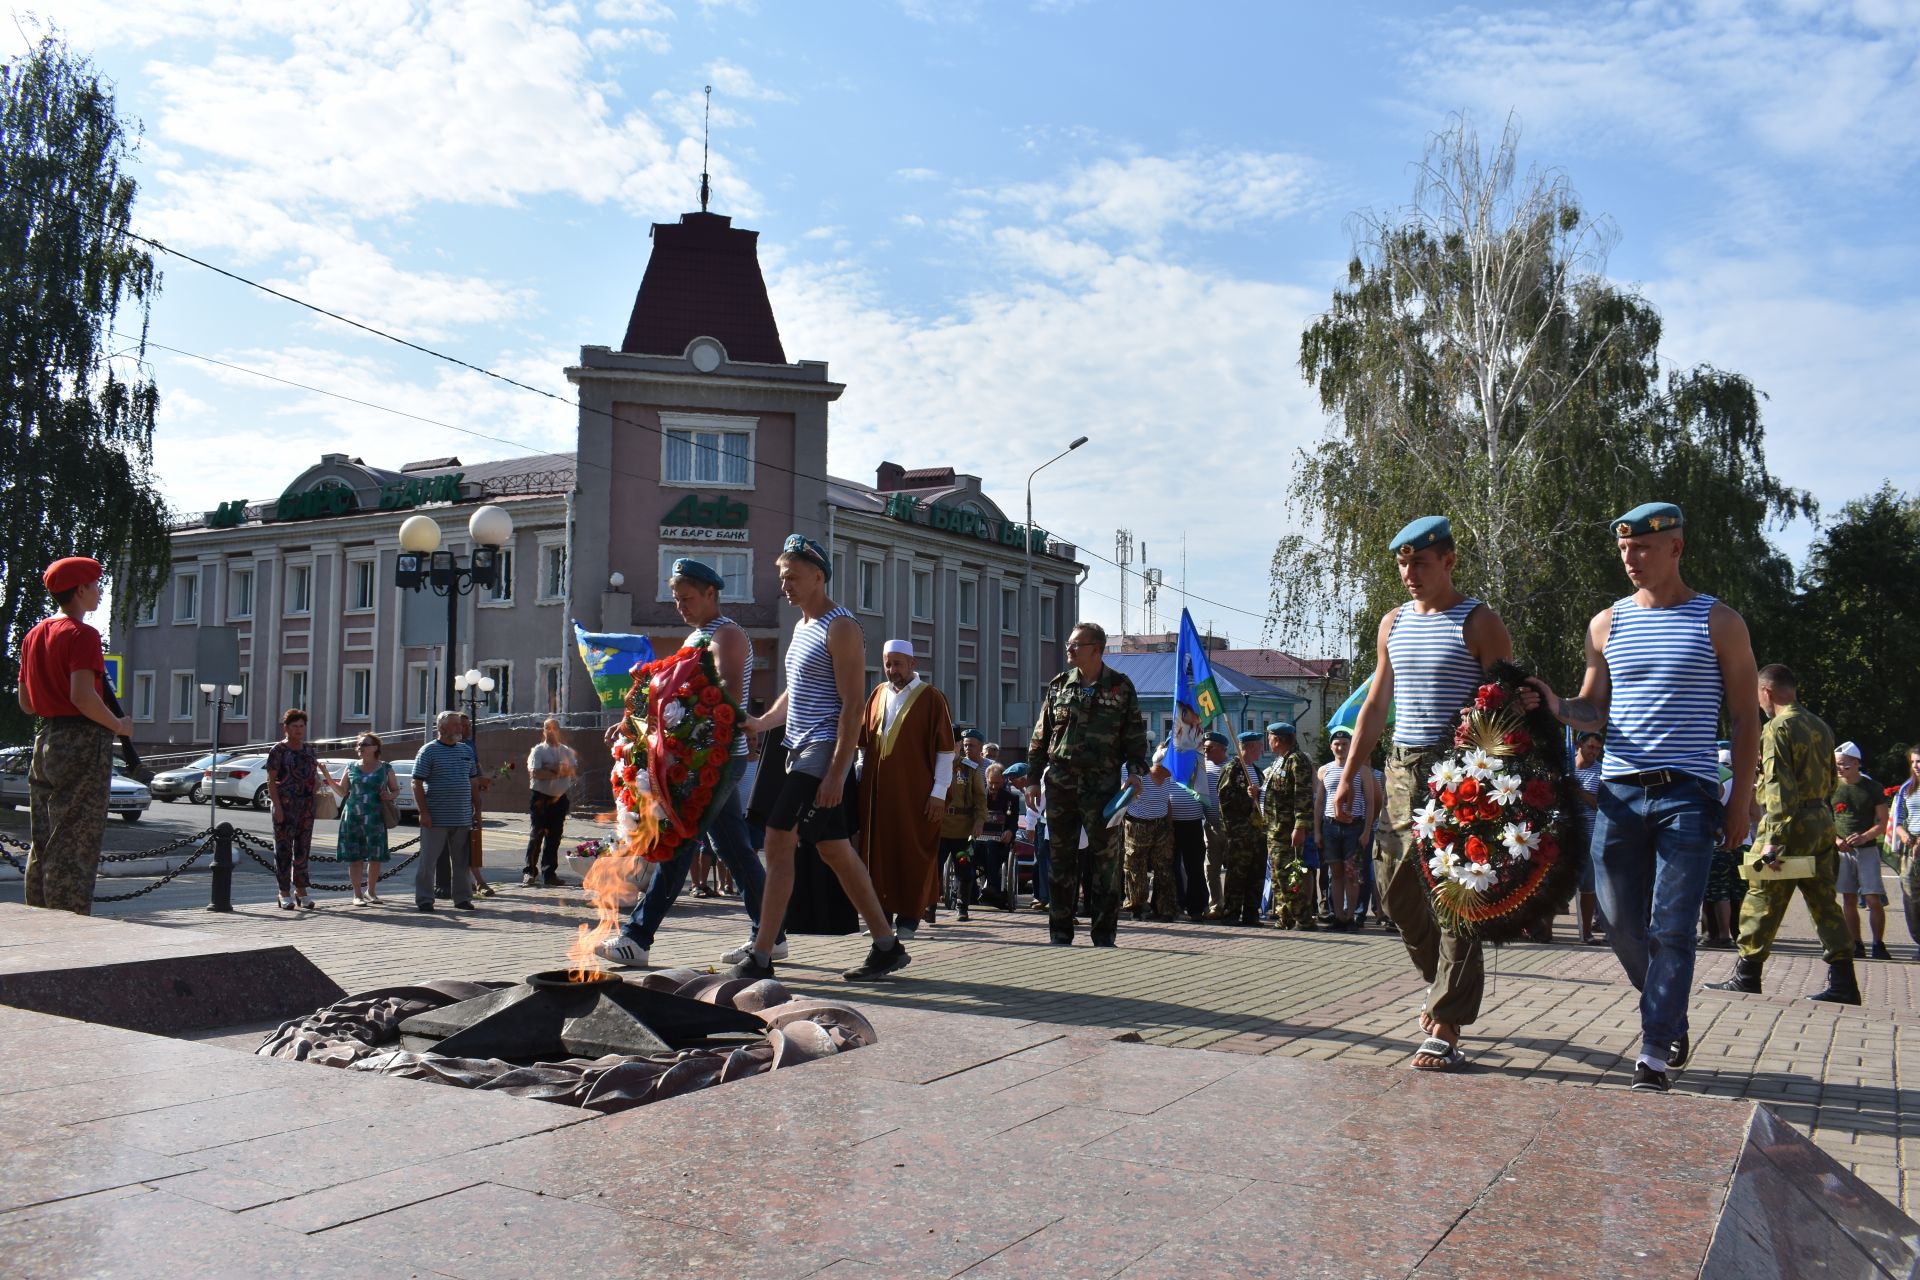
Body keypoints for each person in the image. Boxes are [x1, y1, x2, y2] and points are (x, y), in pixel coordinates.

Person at [1529, 502, 1761, 1094]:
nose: (1631, 560)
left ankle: (1654, 1050)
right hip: (1619, 795)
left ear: (1676, 549)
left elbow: (1743, 716)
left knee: (1671, 928)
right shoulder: (1606, 623)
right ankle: (1670, 1011)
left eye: (1643, 549)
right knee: (1618, 923)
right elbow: (1593, 709)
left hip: (1690, 794)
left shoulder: (1719, 621)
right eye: (1624, 550)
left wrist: (1741, 801)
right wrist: (1556, 705)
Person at [1338, 515, 1524, 1072]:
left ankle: (1446, 1021)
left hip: (1458, 775)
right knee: (1394, 894)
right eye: (1402, 563)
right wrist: (1350, 772)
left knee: (1456, 901)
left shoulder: (1479, 622)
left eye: (1420, 562)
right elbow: (1375, 704)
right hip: (1400, 769)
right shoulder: (1392, 623)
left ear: (1448, 561)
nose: (1409, 573)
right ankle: (1441, 981)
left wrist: (1495, 784)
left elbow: (1506, 706)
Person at [725, 535, 909, 982]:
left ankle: (763, 953)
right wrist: (760, 722)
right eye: (781, 577)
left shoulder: (841, 626)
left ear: (818, 576)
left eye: (792, 577)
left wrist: (837, 773)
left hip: (822, 750)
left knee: (777, 838)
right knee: (834, 850)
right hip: (793, 747)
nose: (783, 585)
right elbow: (795, 693)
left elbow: (852, 704)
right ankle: (886, 945)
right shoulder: (804, 627)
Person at [599, 558, 779, 969]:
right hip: (697, 760)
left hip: (714, 761)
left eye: (687, 598)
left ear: (711, 594)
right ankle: (771, 934)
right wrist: (632, 725)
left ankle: (636, 938)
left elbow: (726, 701)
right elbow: (670, 699)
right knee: (734, 851)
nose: (680, 606)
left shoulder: (727, 634)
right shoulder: (696, 636)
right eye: (676, 598)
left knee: (678, 840)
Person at [1705, 665, 1859, 1005]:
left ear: (1766, 692)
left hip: (1787, 825)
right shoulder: (1820, 725)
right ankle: (1844, 981)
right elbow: (1832, 782)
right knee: (1824, 903)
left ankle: (1747, 976)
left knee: (1760, 896)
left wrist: (1772, 841)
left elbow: (1777, 788)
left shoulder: (1777, 728)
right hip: (1820, 822)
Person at [1026, 621, 1157, 947]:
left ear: (1096, 649)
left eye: (1075, 645)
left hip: (1103, 788)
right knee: (1060, 862)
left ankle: (1103, 936)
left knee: (1106, 864)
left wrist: (1136, 773)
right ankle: (1060, 933)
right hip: (1061, 784)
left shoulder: (1121, 687)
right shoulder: (1059, 685)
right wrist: (1032, 780)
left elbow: (1135, 740)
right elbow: (1040, 738)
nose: (1068, 650)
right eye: (1069, 644)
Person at [16, 556, 128, 915]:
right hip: (82, 742)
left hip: (47, 738)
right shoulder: (82, 634)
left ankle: (40, 913)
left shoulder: (34, 635)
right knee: (75, 840)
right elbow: (83, 697)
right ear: (80, 590)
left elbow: (28, 704)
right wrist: (118, 725)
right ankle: (69, 925)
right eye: (95, 586)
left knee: (43, 837)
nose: (98, 593)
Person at [853, 639, 955, 938]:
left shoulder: (932, 698)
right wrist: (860, 776)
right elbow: (864, 744)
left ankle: (910, 917)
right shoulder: (877, 694)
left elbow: (945, 752)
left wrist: (939, 792)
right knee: (877, 853)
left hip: (916, 795)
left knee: (912, 851)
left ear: (912, 664)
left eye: (898, 663)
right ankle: (880, 917)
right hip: (876, 795)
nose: (891, 669)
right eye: (887, 663)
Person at [412, 710, 481, 912]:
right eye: (455, 725)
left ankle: (462, 898)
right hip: (436, 817)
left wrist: (477, 810)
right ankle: (425, 899)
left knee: (461, 862)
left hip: (462, 816)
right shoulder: (428, 751)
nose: (460, 728)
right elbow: (416, 783)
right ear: (442, 728)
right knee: (428, 862)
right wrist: (423, 812)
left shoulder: (466, 751)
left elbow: (474, 783)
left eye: (461, 725)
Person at [266, 709, 333, 911]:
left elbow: (312, 775)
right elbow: (271, 781)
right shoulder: (278, 751)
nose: (298, 730)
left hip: (306, 806)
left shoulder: (309, 750)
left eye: (301, 726)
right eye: (294, 726)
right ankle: (283, 892)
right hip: (284, 806)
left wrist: (316, 784)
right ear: (285, 728)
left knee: (303, 849)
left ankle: (301, 890)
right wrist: (276, 806)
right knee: (284, 850)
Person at [1314, 727, 1379, 930]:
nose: (1340, 747)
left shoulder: (1362, 770)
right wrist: (1317, 831)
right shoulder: (1324, 770)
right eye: (1337, 744)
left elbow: (1370, 803)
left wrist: (1367, 830)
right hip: (1330, 827)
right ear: (1331, 747)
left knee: (1352, 874)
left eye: (1344, 744)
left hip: (1354, 828)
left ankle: (1351, 917)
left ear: (1351, 747)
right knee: (1335, 873)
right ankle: (1338, 917)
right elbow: (1319, 803)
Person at [1832, 741, 1892, 960]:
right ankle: (1855, 942)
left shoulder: (1872, 787)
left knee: (1872, 898)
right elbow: (1824, 820)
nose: (1840, 769)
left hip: (1866, 850)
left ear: (1856, 763)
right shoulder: (1831, 787)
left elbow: (1883, 822)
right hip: (1842, 851)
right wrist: (1836, 840)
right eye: (1837, 764)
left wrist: (1865, 836)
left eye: (1844, 765)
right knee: (1848, 898)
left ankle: (1878, 943)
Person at [330, 732, 398, 905]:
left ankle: (371, 891)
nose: (360, 747)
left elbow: (395, 790)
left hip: (375, 815)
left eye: (364, 744)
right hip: (353, 815)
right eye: (359, 744)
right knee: (355, 856)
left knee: (375, 856)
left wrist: (389, 796)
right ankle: (357, 894)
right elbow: (342, 791)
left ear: (375, 747)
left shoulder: (385, 768)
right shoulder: (351, 766)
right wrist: (329, 780)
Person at [1262, 722, 1315, 929]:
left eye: (1270, 738)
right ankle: (1286, 916)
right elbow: (1276, 792)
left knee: (1288, 875)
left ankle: (1304, 919)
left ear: (1278, 739)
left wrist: (1300, 826)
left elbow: (1302, 795)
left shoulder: (1296, 760)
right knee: (1277, 876)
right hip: (1274, 827)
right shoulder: (1279, 761)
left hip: (1287, 829)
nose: (1268, 742)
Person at [935, 731, 988, 923]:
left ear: (958, 746)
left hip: (963, 830)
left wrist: (980, 820)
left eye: (954, 744)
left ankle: (962, 907)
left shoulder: (969, 768)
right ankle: (930, 905)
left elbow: (981, 798)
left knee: (964, 869)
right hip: (938, 828)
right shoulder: (934, 765)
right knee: (933, 869)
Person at [1215, 731, 1266, 927]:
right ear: (1251, 747)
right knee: (1237, 874)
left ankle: (1251, 914)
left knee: (1256, 873)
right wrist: (1248, 796)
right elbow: (1225, 800)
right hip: (1239, 833)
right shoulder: (1233, 769)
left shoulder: (1257, 771)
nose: (1262, 751)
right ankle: (1231, 913)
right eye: (1260, 747)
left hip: (1257, 832)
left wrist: (1259, 795)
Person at [1123, 746, 1177, 922]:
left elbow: (1166, 801)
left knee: (1164, 868)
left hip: (1160, 825)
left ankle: (1164, 908)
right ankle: (1137, 907)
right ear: (1163, 766)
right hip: (1138, 825)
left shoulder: (1167, 779)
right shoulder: (1140, 777)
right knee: (1135, 868)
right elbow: (1122, 799)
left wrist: (1170, 828)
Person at [522, 718, 578, 888]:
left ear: (559, 730)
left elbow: (572, 770)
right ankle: (529, 873)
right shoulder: (538, 751)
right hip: (541, 798)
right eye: (548, 728)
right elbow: (537, 773)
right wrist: (558, 771)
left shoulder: (566, 751)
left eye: (554, 728)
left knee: (554, 838)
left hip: (560, 799)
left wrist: (550, 769)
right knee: (536, 835)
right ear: (543, 731)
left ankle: (549, 873)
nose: (551, 731)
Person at [1165, 741, 1211, 922]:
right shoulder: (1166, 764)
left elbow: (1207, 793)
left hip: (1193, 823)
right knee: (1171, 866)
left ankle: (1196, 907)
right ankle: (1175, 903)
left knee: (1195, 867)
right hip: (1171, 823)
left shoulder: (1198, 762)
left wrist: (1212, 818)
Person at [1571, 732, 1608, 945]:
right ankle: (1543, 931)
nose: (1593, 752)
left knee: (1588, 886)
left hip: (1590, 836)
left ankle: (1586, 932)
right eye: (1590, 747)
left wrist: (1578, 791)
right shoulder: (1566, 768)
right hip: (1564, 834)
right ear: (1579, 745)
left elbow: (1600, 804)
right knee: (1554, 885)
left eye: (1597, 749)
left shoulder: (1601, 771)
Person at [1890, 746, 1920, 959]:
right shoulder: (1907, 788)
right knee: (1911, 896)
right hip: (1910, 851)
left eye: (1919, 762)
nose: (1916, 766)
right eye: (1913, 762)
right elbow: (1898, 818)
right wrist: (1901, 833)